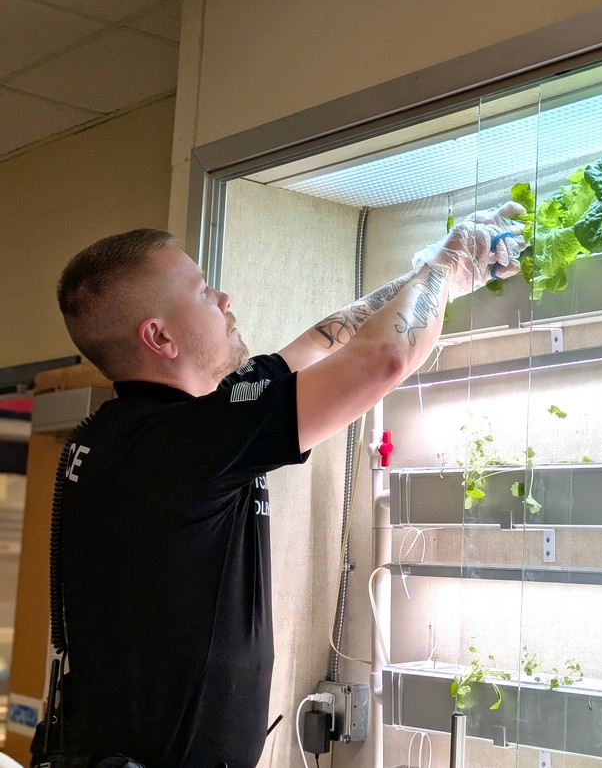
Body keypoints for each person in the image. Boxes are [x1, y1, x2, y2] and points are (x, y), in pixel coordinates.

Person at [42, 204, 525, 768]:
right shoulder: (179, 445)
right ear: (160, 336)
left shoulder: (152, 429)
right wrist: (448, 261)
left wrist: (433, 275)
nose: (224, 299)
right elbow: (384, 360)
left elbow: (322, 344)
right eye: (201, 292)